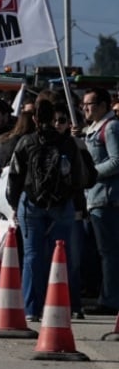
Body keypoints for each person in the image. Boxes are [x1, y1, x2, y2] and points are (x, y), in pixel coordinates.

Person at [6, 97, 92, 322]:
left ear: (34, 119)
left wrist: (15, 204)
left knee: (32, 255)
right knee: (60, 255)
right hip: (62, 205)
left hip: (31, 204)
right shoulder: (68, 144)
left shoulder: (26, 142)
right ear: (53, 119)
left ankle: (32, 309)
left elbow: (14, 177)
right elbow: (81, 178)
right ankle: (62, 305)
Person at [79, 87, 119, 316]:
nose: (85, 107)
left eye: (90, 103)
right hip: (93, 199)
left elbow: (116, 160)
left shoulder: (111, 128)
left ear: (104, 105)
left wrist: (91, 173)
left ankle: (110, 300)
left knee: (109, 252)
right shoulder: (93, 129)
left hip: (106, 199)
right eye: (84, 103)